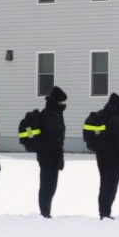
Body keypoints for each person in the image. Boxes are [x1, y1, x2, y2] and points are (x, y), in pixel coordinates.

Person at [95, 93, 119, 220]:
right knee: (111, 186)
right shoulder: (115, 119)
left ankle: (102, 211)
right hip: (113, 158)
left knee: (104, 184)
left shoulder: (103, 115)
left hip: (101, 155)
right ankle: (105, 213)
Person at [37, 86, 67, 218]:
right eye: (62, 102)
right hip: (49, 156)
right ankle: (44, 212)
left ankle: (46, 210)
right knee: (48, 185)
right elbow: (55, 140)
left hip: (48, 155)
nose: (64, 105)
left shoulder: (54, 113)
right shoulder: (51, 116)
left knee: (49, 185)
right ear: (57, 102)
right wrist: (59, 158)